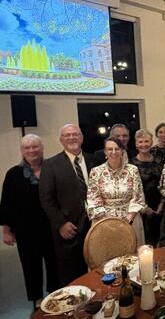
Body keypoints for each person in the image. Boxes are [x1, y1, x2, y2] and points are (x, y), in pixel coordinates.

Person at [0, 134, 57, 308]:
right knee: (30, 265)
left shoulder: (51, 168)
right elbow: (6, 202)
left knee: (54, 262)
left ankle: (54, 294)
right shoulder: (13, 174)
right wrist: (6, 230)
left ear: (42, 148)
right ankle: (37, 299)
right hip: (25, 229)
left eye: (35, 146)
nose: (31, 150)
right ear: (22, 151)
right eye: (27, 148)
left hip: (51, 227)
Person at [39, 124, 95, 287]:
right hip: (69, 226)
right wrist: (61, 223)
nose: (72, 138)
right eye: (67, 135)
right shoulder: (50, 165)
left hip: (94, 223)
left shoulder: (94, 160)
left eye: (75, 134)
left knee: (97, 266)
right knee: (71, 272)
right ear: (61, 140)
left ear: (82, 137)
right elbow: (46, 198)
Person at [86, 137, 147, 247]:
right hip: (104, 222)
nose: (113, 152)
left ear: (122, 151)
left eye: (117, 149)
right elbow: (93, 198)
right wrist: (108, 222)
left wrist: (129, 219)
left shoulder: (132, 170)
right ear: (105, 152)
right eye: (109, 149)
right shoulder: (96, 172)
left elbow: (138, 196)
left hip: (130, 220)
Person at [129, 129, 164, 246]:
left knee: (161, 239)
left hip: (160, 206)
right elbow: (132, 190)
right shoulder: (131, 164)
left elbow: (163, 183)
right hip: (142, 208)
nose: (144, 144)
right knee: (146, 243)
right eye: (140, 142)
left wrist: (162, 203)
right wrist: (145, 208)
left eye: (146, 141)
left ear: (151, 142)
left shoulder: (159, 161)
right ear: (136, 144)